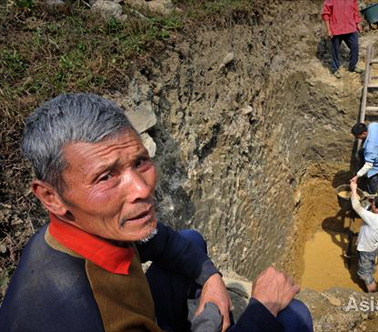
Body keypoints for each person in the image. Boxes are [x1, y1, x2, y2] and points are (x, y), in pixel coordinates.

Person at [0, 93, 313, 332]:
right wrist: (261, 308)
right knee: (294, 316)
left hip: (147, 314)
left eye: (139, 163)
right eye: (106, 176)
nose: (141, 188)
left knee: (191, 241)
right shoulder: (74, 314)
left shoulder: (95, 227)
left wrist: (214, 280)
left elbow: (165, 242)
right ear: (51, 197)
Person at [349, 181, 378, 292]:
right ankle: (371, 271)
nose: (371, 203)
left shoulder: (374, 219)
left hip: (366, 250)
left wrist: (353, 189)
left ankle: (373, 294)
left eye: (373, 204)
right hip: (372, 248)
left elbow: (356, 207)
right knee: (370, 265)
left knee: (365, 274)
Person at [321, 0, 363, 79]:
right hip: (337, 29)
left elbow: (355, 10)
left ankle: (352, 66)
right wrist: (328, 29)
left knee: (355, 46)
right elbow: (326, 13)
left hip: (350, 27)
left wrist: (358, 24)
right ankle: (335, 69)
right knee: (335, 50)